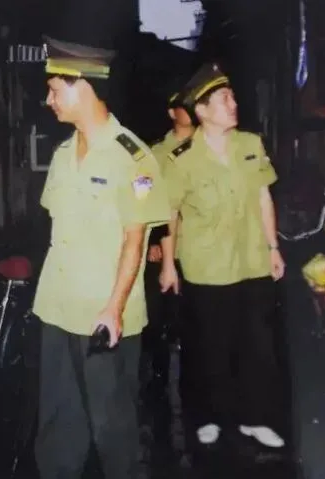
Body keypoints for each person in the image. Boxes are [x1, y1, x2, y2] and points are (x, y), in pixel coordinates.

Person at [32, 36, 171, 478]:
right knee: (57, 427)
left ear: (83, 86)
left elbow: (135, 238)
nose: (48, 99)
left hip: (103, 316)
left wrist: (113, 308)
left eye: (55, 89)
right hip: (57, 309)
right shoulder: (61, 155)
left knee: (115, 431)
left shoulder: (133, 157)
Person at [159, 63, 287, 450]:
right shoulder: (181, 158)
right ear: (202, 110)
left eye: (232, 96)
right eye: (224, 99)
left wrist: (273, 247)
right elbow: (170, 214)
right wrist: (168, 264)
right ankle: (210, 417)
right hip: (207, 267)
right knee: (210, 347)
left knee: (258, 347)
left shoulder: (251, 145)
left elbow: (264, 197)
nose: (234, 104)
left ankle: (255, 420)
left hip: (253, 261)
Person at [142, 85, 195, 398]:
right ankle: (159, 385)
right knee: (160, 319)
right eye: (184, 105)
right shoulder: (156, 153)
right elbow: (146, 199)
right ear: (172, 112)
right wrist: (152, 240)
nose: (191, 110)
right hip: (168, 249)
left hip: (203, 247)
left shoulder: (209, 145)